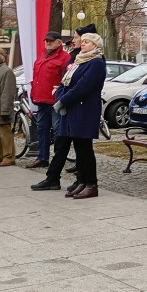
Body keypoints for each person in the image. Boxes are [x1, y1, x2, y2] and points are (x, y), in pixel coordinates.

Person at [31, 32, 107, 198]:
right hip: (73, 109)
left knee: (85, 148)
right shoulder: (79, 60)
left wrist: (63, 101)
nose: (83, 44)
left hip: (84, 109)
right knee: (79, 148)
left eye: (87, 42)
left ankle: (91, 184)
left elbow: (83, 86)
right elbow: (65, 82)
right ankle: (83, 181)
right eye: (83, 41)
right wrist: (60, 97)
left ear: (95, 45)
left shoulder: (96, 63)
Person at [27, 31, 71, 169]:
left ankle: (58, 160)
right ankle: (42, 157)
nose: (47, 42)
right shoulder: (42, 56)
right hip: (41, 99)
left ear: (59, 42)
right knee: (42, 129)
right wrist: (34, 92)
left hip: (55, 100)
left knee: (58, 130)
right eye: (46, 40)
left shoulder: (65, 58)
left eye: (51, 41)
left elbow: (67, 79)